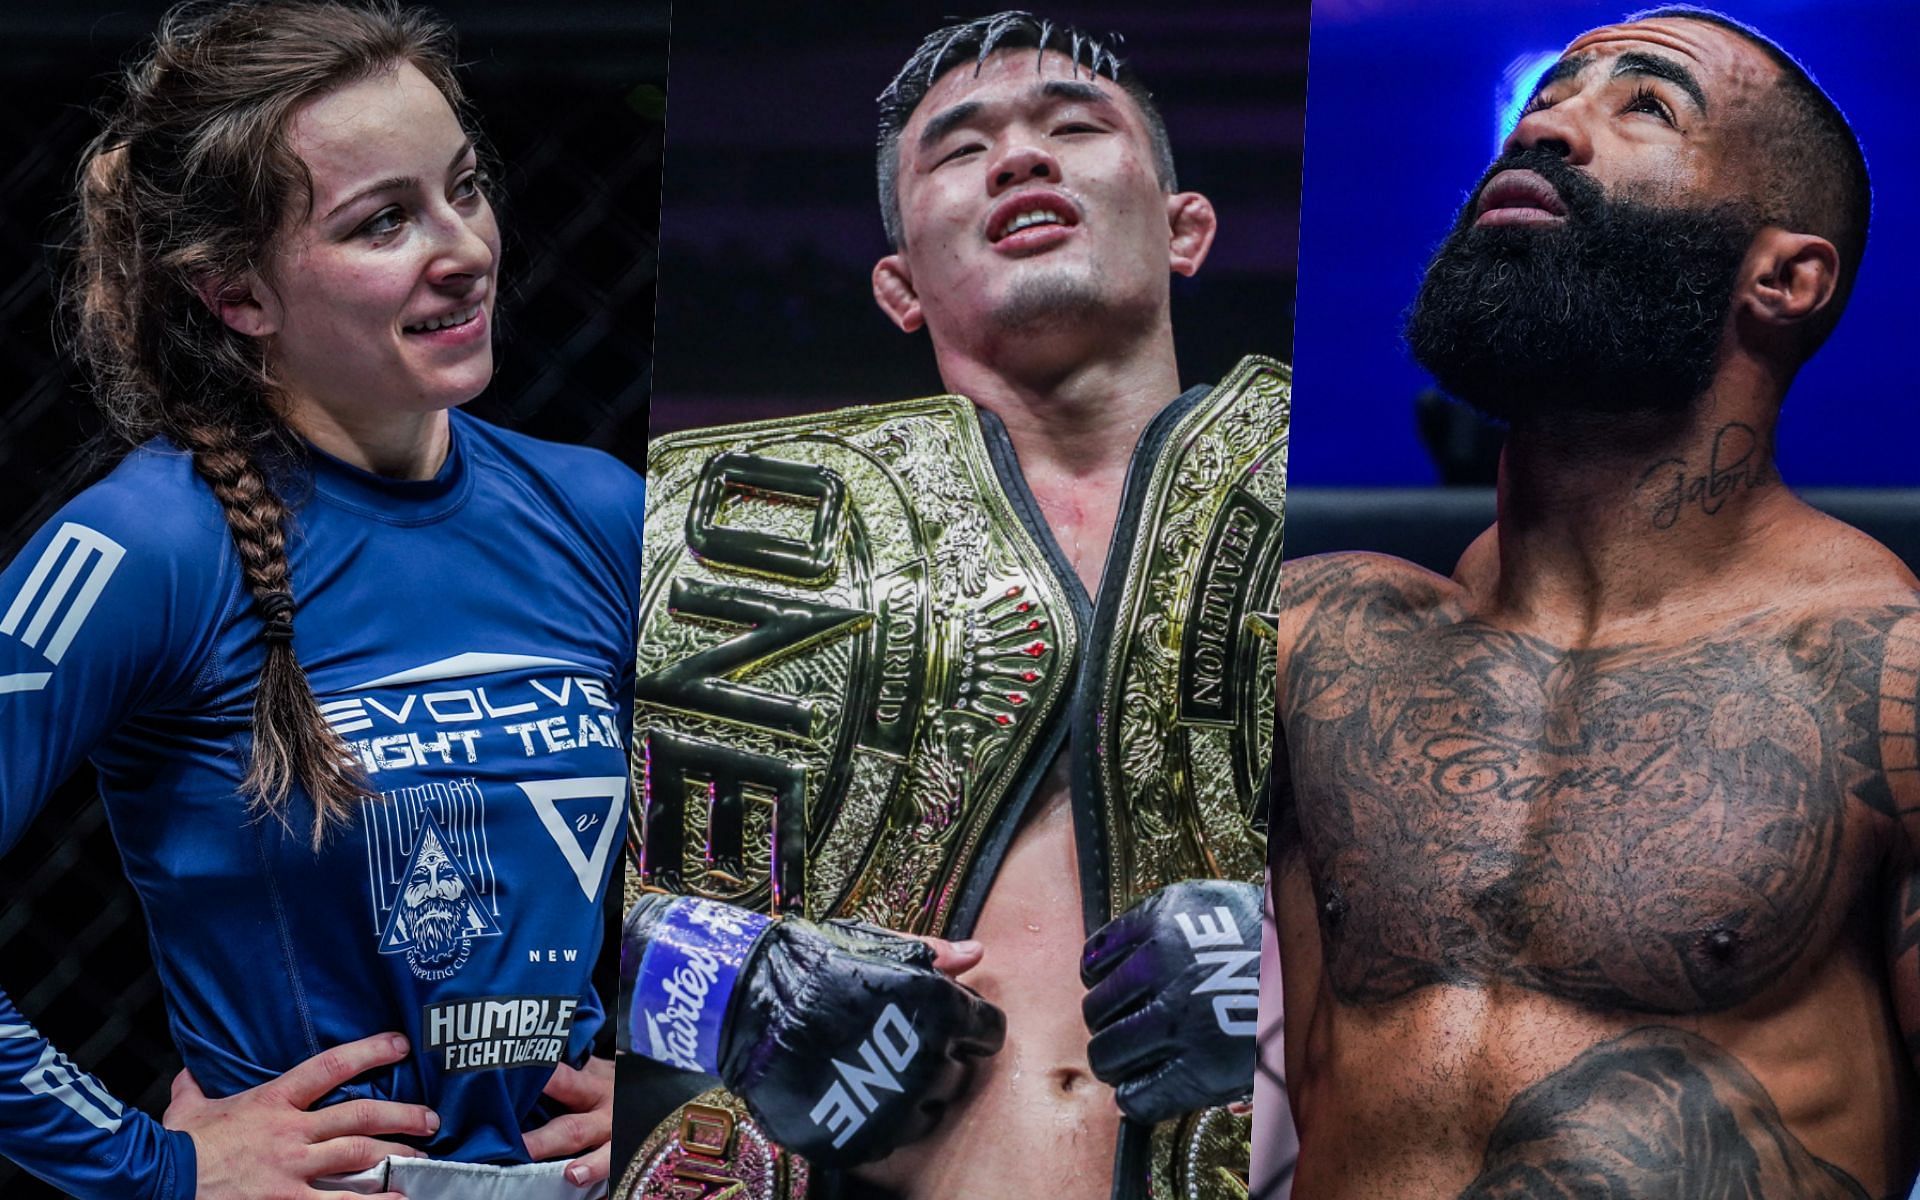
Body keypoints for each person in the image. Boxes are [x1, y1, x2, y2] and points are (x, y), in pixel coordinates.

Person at [617, 13, 1286, 1200]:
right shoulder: (676, 525)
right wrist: (728, 986)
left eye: (1075, 127)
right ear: (898, 286)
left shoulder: (1327, 522)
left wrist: (1285, 974)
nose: (1022, 159)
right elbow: (496, 898)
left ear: (1188, 231)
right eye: (959, 149)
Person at [1267, 6, 1920, 1195]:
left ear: (1785, 277)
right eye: (1550, 93)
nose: (1551, 126)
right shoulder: (1319, 645)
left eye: (1646, 104)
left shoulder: (1883, 677)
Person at [0, 4, 645, 1197]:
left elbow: (759, 879)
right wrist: (148, 1167)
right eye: (384, 220)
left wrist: (683, 1094)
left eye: (465, 187)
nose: (464, 249)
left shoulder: (602, 510)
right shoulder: (147, 547)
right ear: (237, 293)